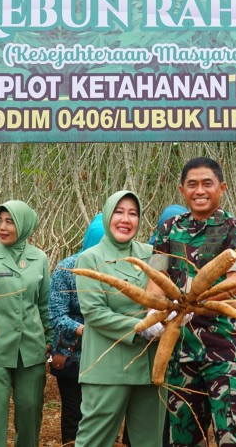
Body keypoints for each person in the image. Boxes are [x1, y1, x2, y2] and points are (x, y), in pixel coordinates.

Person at [148, 156, 236, 446]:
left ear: (221, 187)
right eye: (192, 184)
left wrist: (193, 301)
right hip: (180, 348)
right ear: (181, 190)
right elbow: (155, 279)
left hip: (225, 349)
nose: (199, 190)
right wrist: (156, 310)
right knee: (183, 436)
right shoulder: (169, 229)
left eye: (207, 184)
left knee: (231, 435)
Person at [74, 191, 166, 447]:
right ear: (107, 215)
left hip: (150, 367)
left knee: (150, 442)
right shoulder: (89, 258)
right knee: (94, 441)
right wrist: (140, 328)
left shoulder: (154, 254)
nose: (126, 219)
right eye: (119, 212)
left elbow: (172, 289)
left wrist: (179, 309)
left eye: (133, 214)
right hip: (107, 366)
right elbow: (94, 312)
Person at [0, 199, 52, 447]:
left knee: (30, 410)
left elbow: (44, 303)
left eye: (10, 221)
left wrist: (48, 339)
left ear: (24, 225)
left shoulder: (39, 258)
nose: (2, 227)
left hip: (31, 348)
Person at [49, 213, 105, 444]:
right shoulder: (67, 269)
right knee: (74, 413)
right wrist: (86, 330)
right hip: (73, 354)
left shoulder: (116, 268)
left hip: (105, 354)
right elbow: (56, 314)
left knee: (101, 415)